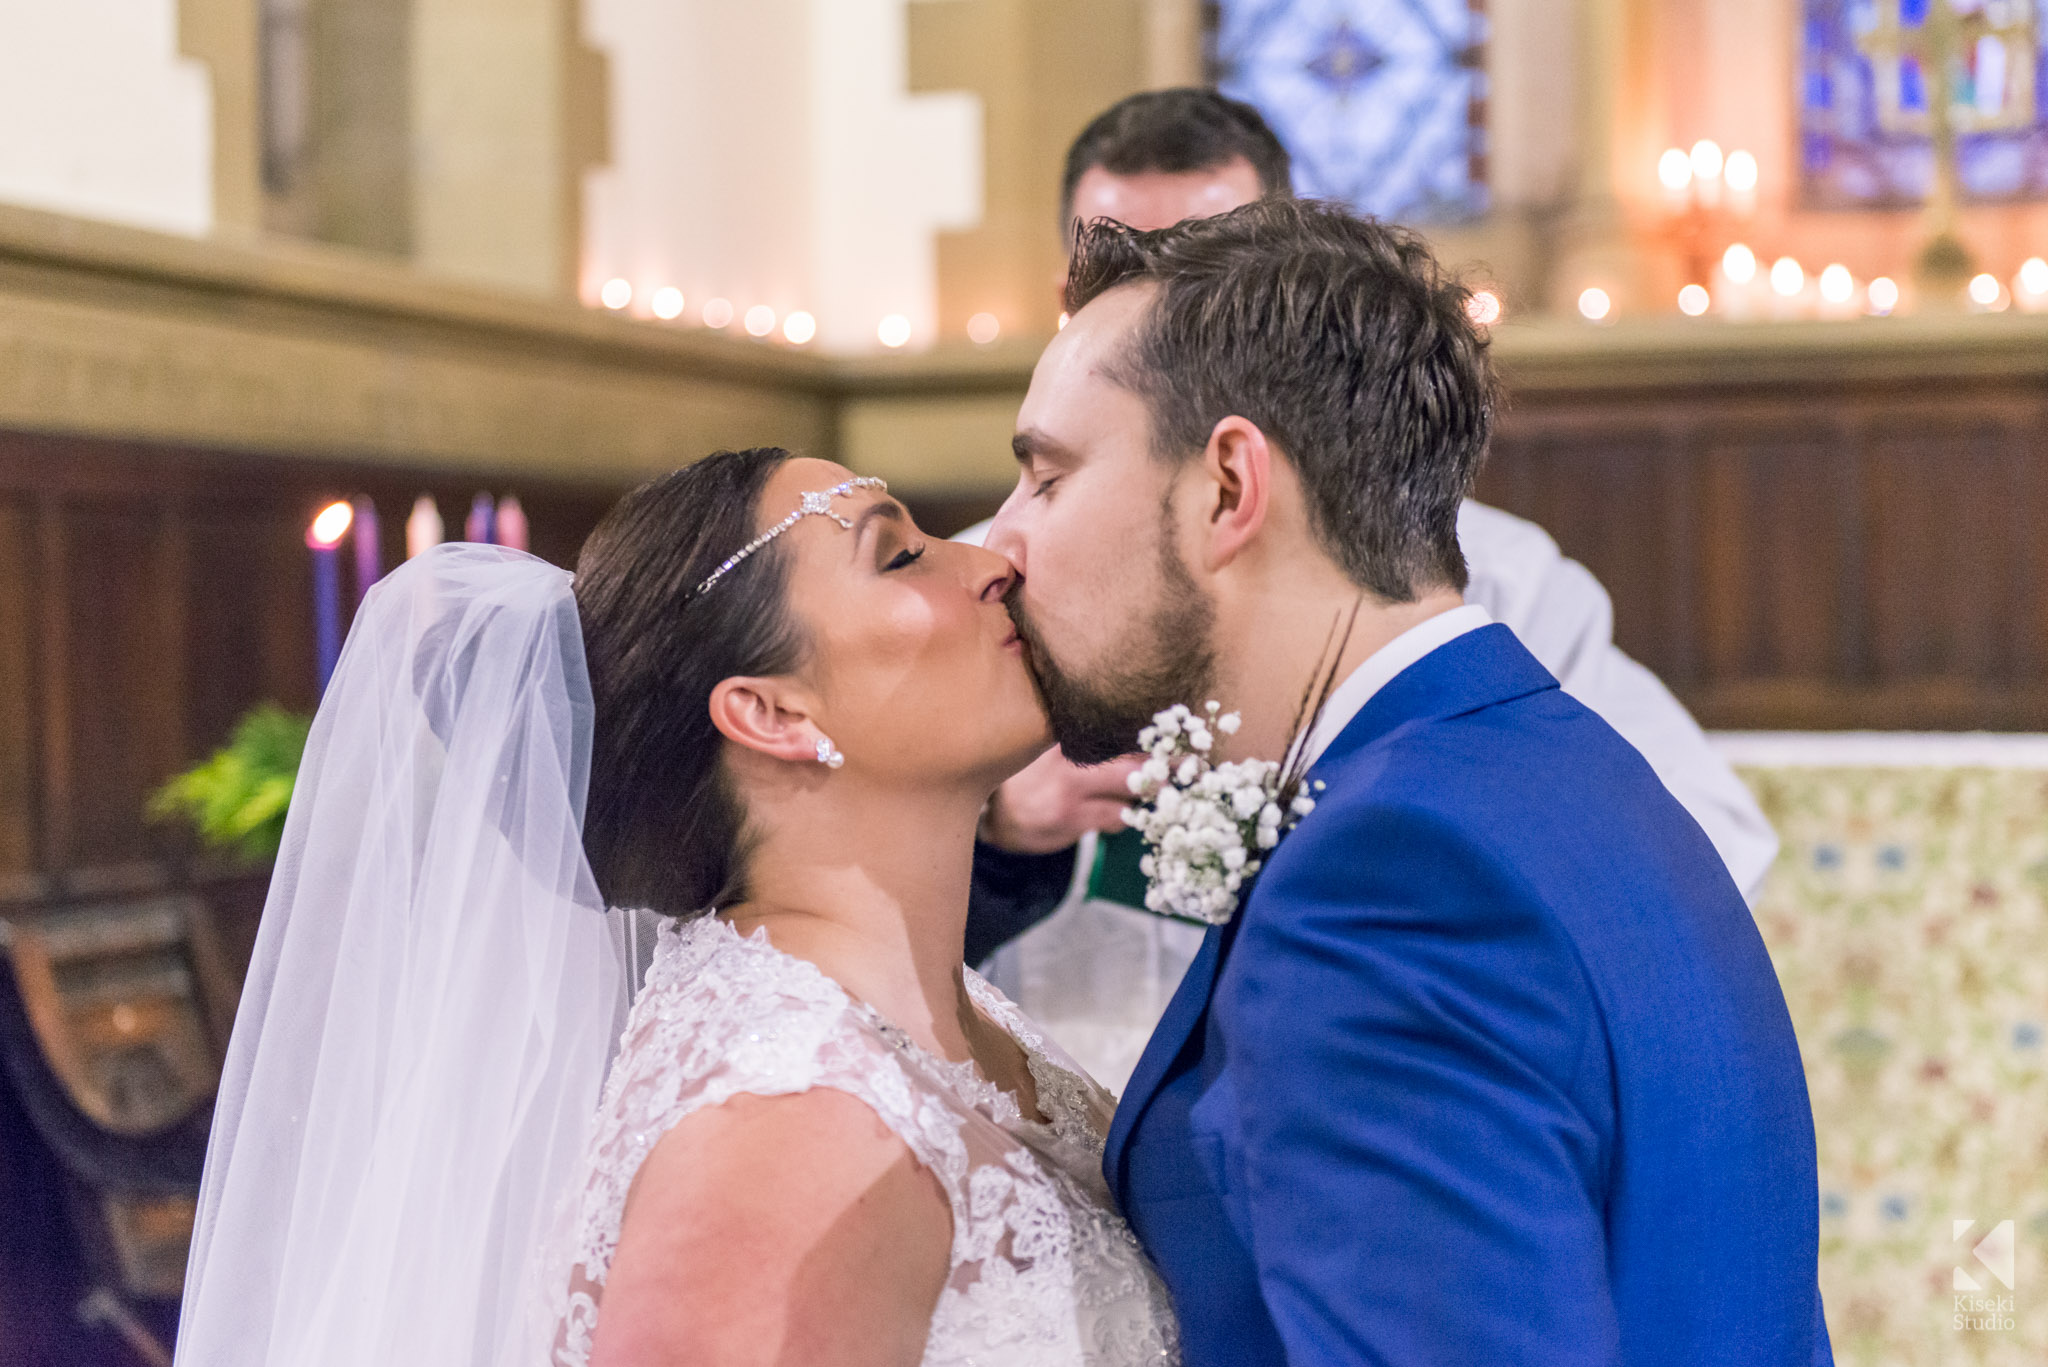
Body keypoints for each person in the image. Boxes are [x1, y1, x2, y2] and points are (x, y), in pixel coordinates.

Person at [987, 198, 1828, 1365]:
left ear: (1229, 486)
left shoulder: (1388, 882)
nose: (999, 542)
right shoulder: (1563, 767)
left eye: (1046, 475)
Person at [175, 455, 1180, 1365]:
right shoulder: (781, 1131)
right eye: (901, 554)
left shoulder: (941, 1016)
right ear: (772, 712)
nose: (992, 558)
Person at [963, 87, 1778, 1090]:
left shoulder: (1490, 587)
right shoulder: (997, 576)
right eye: (1140, 269)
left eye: (1205, 264)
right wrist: (994, 830)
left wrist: (1381, 896)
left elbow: (1684, 860)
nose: (1173, 312)